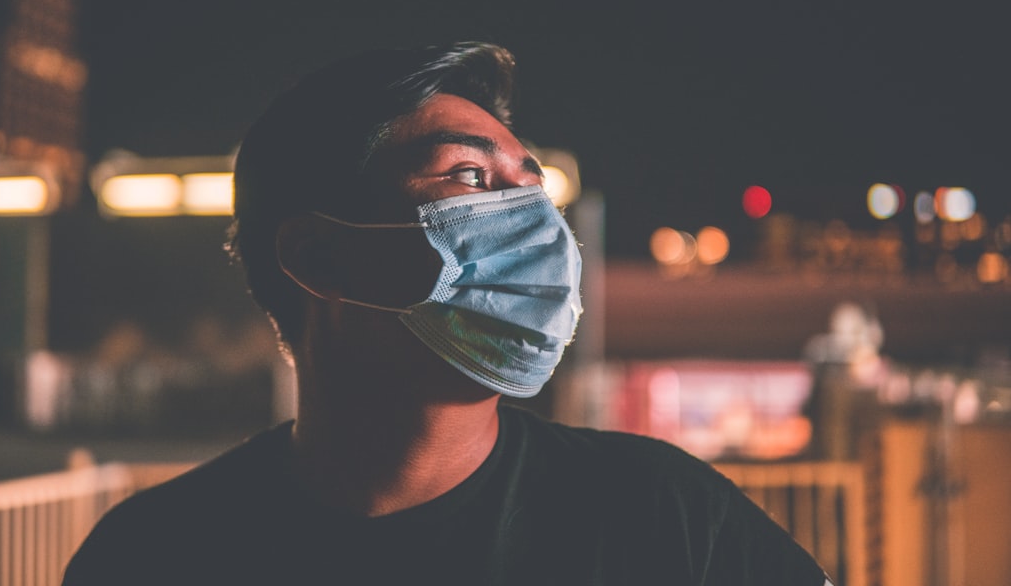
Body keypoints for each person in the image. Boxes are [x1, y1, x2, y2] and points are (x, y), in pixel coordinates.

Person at [62, 42, 833, 585]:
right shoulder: (153, 558)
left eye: (533, 189)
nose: (536, 224)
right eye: (469, 176)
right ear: (320, 258)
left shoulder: (666, 519)